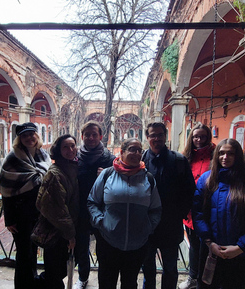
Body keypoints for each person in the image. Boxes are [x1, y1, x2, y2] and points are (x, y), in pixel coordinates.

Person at [193, 138, 245, 289]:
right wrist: (209, 243)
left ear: (238, 156)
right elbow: (198, 213)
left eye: (230, 153)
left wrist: (241, 247)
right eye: (221, 153)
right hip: (212, 250)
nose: (225, 157)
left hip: (241, 255)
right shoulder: (207, 180)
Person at [88, 138, 162, 289]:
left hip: (137, 245)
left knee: (130, 283)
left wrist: (148, 227)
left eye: (140, 150)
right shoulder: (108, 174)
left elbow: (156, 209)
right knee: (106, 283)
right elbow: (92, 202)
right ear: (122, 152)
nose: (137, 153)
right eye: (132, 149)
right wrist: (101, 223)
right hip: (109, 242)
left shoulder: (148, 178)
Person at [141, 122, 196, 289]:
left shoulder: (179, 160)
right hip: (147, 224)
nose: (156, 138)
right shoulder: (141, 160)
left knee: (170, 268)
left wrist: (179, 213)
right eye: (152, 135)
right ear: (147, 137)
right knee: (147, 267)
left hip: (170, 224)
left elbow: (189, 191)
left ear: (165, 136)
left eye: (160, 134)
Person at [0, 122, 51, 289]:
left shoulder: (43, 155)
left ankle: (32, 282)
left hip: (38, 213)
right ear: (19, 139)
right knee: (24, 254)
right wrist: (9, 219)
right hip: (20, 214)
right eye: (25, 135)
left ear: (37, 136)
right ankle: (23, 285)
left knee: (33, 250)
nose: (29, 138)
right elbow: (6, 191)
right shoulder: (13, 158)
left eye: (32, 134)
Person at [74, 121, 115, 289]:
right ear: (82, 136)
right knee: (82, 247)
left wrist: (106, 177)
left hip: (102, 210)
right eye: (87, 135)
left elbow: (118, 183)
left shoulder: (109, 159)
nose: (91, 138)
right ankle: (83, 277)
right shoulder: (75, 157)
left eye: (94, 134)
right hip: (81, 210)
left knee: (104, 248)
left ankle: (104, 281)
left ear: (101, 137)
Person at [35, 134, 79, 289]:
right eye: (65, 147)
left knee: (59, 270)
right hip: (56, 231)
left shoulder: (72, 167)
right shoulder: (55, 173)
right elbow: (56, 209)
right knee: (55, 273)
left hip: (65, 230)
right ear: (58, 150)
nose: (70, 150)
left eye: (72, 146)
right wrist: (70, 234)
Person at [179, 123, 216, 289]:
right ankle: (193, 277)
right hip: (190, 211)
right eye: (195, 136)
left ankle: (206, 280)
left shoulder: (216, 156)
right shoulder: (186, 157)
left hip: (210, 210)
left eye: (202, 136)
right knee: (194, 246)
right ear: (191, 138)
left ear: (208, 137)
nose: (199, 140)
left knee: (208, 247)